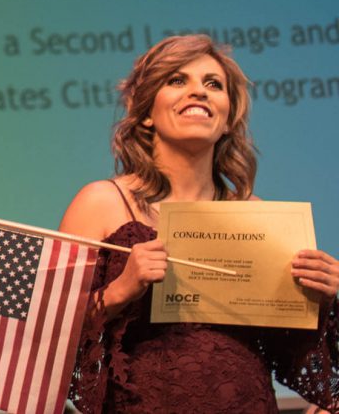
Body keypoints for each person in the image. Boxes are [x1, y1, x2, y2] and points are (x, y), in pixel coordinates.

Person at [59, 34, 339, 412]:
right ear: (145, 112)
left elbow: (286, 353)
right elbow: (47, 337)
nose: (199, 92)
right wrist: (120, 291)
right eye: (177, 81)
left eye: (213, 84)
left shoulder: (258, 216)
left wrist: (321, 299)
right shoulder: (102, 202)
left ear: (226, 119)